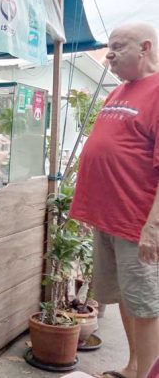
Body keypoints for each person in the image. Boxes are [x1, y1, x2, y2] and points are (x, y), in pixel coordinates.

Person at [69, 23, 159, 378]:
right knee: (125, 295)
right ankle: (134, 366)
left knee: (146, 305)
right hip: (108, 218)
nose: (109, 54)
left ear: (145, 48)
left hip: (136, 221)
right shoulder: (119, 91)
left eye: (119, 46)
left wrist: (153, 227)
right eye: (109, 46)